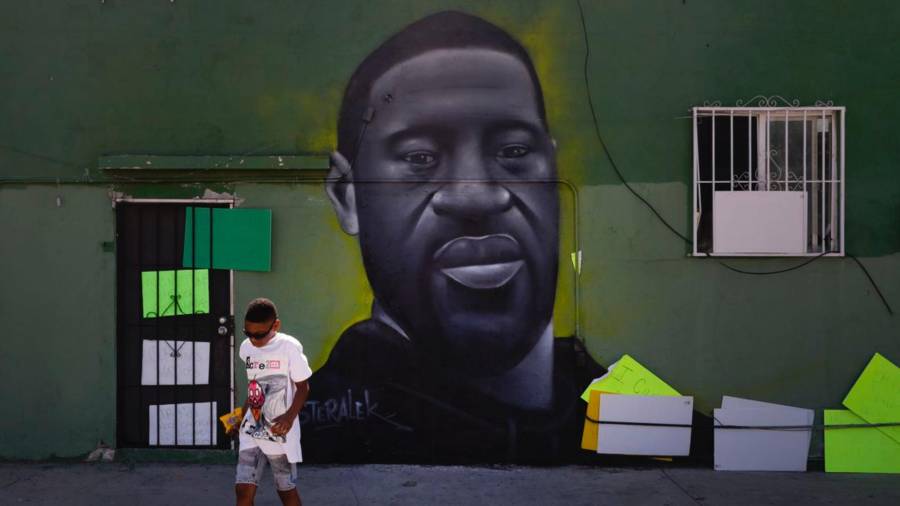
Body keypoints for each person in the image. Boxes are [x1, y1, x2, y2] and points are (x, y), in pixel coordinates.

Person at [308, 10, 603, 463]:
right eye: (421, 157)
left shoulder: (631, 419)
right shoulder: (321, 432)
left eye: (515, 151)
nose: (474, 195)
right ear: (347, 197)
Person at [235, 298, 312, 506]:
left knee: (285, 490)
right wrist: (241, 415)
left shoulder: (289, 347)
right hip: (251, 429)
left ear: (275, 325)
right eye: (248, 333)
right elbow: (254, 384)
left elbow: (303, 387)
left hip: (279, 432)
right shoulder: (246, 349)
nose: (254, 340)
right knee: (242, 491)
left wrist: (288, 418)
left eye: (259, 334)